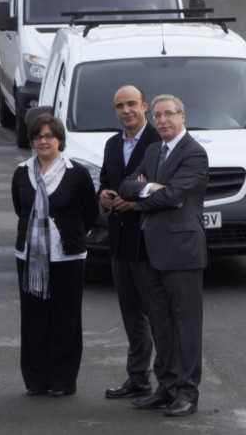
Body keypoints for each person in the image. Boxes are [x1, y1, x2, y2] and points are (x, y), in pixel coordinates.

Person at [119, 94, 208, 417]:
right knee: (162, 325)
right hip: (152, 251)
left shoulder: (194, 153)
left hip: (183, 253)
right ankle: (166, 387)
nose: (162, 121)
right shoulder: (154, 149)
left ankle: (187, 393)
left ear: (183, 116)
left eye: (169, 114)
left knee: (186, 326)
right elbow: (127, 185)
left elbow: (172, 196)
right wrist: (148, 188)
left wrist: (149, 193)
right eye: (157, 115)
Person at [10, 114, 98, 397]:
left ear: (60, 139)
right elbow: (20, 208)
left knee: (66, 319)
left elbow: (91, 212)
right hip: (29, 258)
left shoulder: (77, 173)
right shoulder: (22, 172)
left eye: (49, 136)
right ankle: (36, 380)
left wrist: (68, 235)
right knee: (34, 319)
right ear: (31, 140)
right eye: (37, 136)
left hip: (67, 258)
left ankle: (62, 381)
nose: (43, 141)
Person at [98, 85, 161, 400]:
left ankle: (168, 383)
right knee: (131, 315)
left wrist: (135, 204)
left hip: (150, 242)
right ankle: (138, 378)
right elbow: (106, 182)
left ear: (145, 106)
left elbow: (167, 192)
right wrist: (104, 196)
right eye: (120, 105)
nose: (126, 110)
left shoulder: (158, 143)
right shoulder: (111, 144)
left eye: (132, 104)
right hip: (120, 243)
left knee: (157, 315)